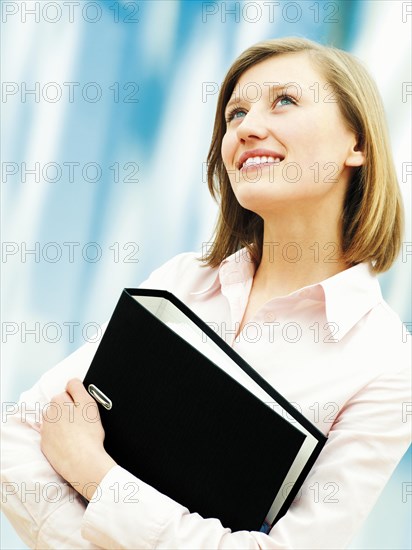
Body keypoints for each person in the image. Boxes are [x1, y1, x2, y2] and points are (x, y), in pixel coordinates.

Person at [1, 37, 411, 549]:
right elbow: (18, 440)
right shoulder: (180, 282)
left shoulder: (387, 364)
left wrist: (97, 477)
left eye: (284, 100)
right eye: (235, 113)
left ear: (359, 143)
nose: (246, 128)